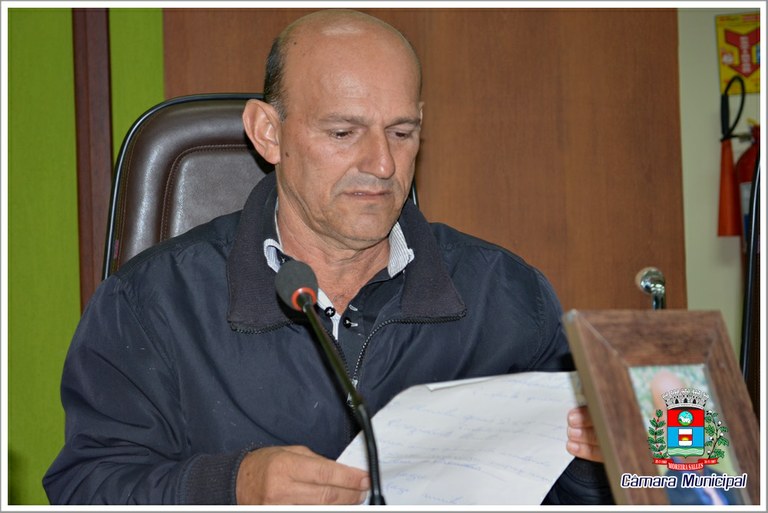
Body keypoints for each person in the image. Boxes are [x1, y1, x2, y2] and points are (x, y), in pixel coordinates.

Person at [43, 9, 611, 505]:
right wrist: (231, 487)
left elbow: (590, 491)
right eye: (343, 132)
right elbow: (85, 487)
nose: (382, 164)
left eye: (401, 133)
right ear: (268, 132)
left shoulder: (507, 297)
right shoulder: (150, 303)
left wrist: (600, 465)